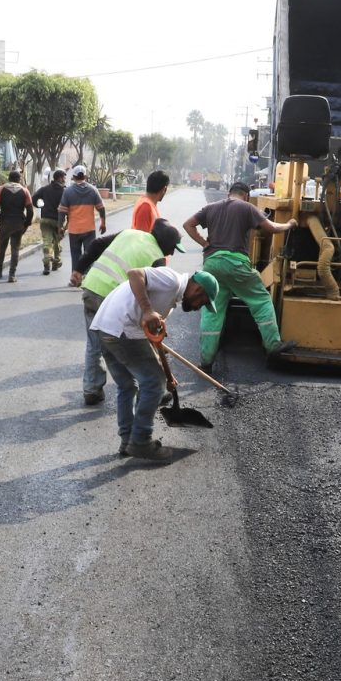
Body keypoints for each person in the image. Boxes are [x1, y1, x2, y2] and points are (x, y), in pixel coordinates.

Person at [89, 264, 218, 460]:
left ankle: (127, 441)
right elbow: (134, 274)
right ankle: (141, 441)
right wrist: (148, 310)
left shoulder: (170, 302)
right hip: (122, 329)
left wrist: (165, 373)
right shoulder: (172, 280)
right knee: (153, 385)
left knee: (127, 385)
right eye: (203, 301)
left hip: (104, 329)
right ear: (198, 288)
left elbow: (151, 337)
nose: (199, 307)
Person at [182, 182, 297, 369]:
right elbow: (272, 228)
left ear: (229, 193)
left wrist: (204, 243)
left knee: (212, 311)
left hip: (212, 266)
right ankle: (273, 345)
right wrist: (290, 224)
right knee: (260, 300)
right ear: (246, 195)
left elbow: (188, 225)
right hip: (236, 264)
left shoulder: (210, 208)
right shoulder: (246, 207)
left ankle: (206, 361)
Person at [72, 219, 184, 406]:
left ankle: (92, 389)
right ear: (165, 242)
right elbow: (150, 299)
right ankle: (151, 387)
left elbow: (96, 244)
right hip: (111, 299)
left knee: (94, 343)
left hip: (91, 287)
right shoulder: (158, 258)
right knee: (134, 342)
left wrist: (79, 268)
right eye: (173, 247)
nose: (172, 252)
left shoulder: (129, 233)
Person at [59, 164, 107, 272]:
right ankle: (87, 278)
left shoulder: (68, 192)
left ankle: (75, 278)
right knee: (89, 254)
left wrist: (60, 227)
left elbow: (62, 211)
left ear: (74, 177)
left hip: (74, 230)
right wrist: (103, 223)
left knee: (75, 254)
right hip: (89, 229)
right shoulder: (93, 190)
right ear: (85, 176)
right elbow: (101, 208)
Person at [0, 169, 34, 282]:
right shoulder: (25, 191)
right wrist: (27, 224)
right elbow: (30, 210)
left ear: (8, 178)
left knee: (2, 248)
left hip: (4, 223)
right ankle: (12, 275)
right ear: (19, 179)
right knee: (15, 249)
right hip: (18, 224)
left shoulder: (0, 189)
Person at [32, 169, 67, 276]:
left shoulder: (45, 189)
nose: (65, 179)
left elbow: (34, 198)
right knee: (57, 242)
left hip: (45, 219)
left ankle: (47, 262)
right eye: (64, 177)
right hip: (58, 220)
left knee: (47, 241)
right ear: (60, 178)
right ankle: (56, 261)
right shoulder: (64, 191)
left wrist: (39, 206)